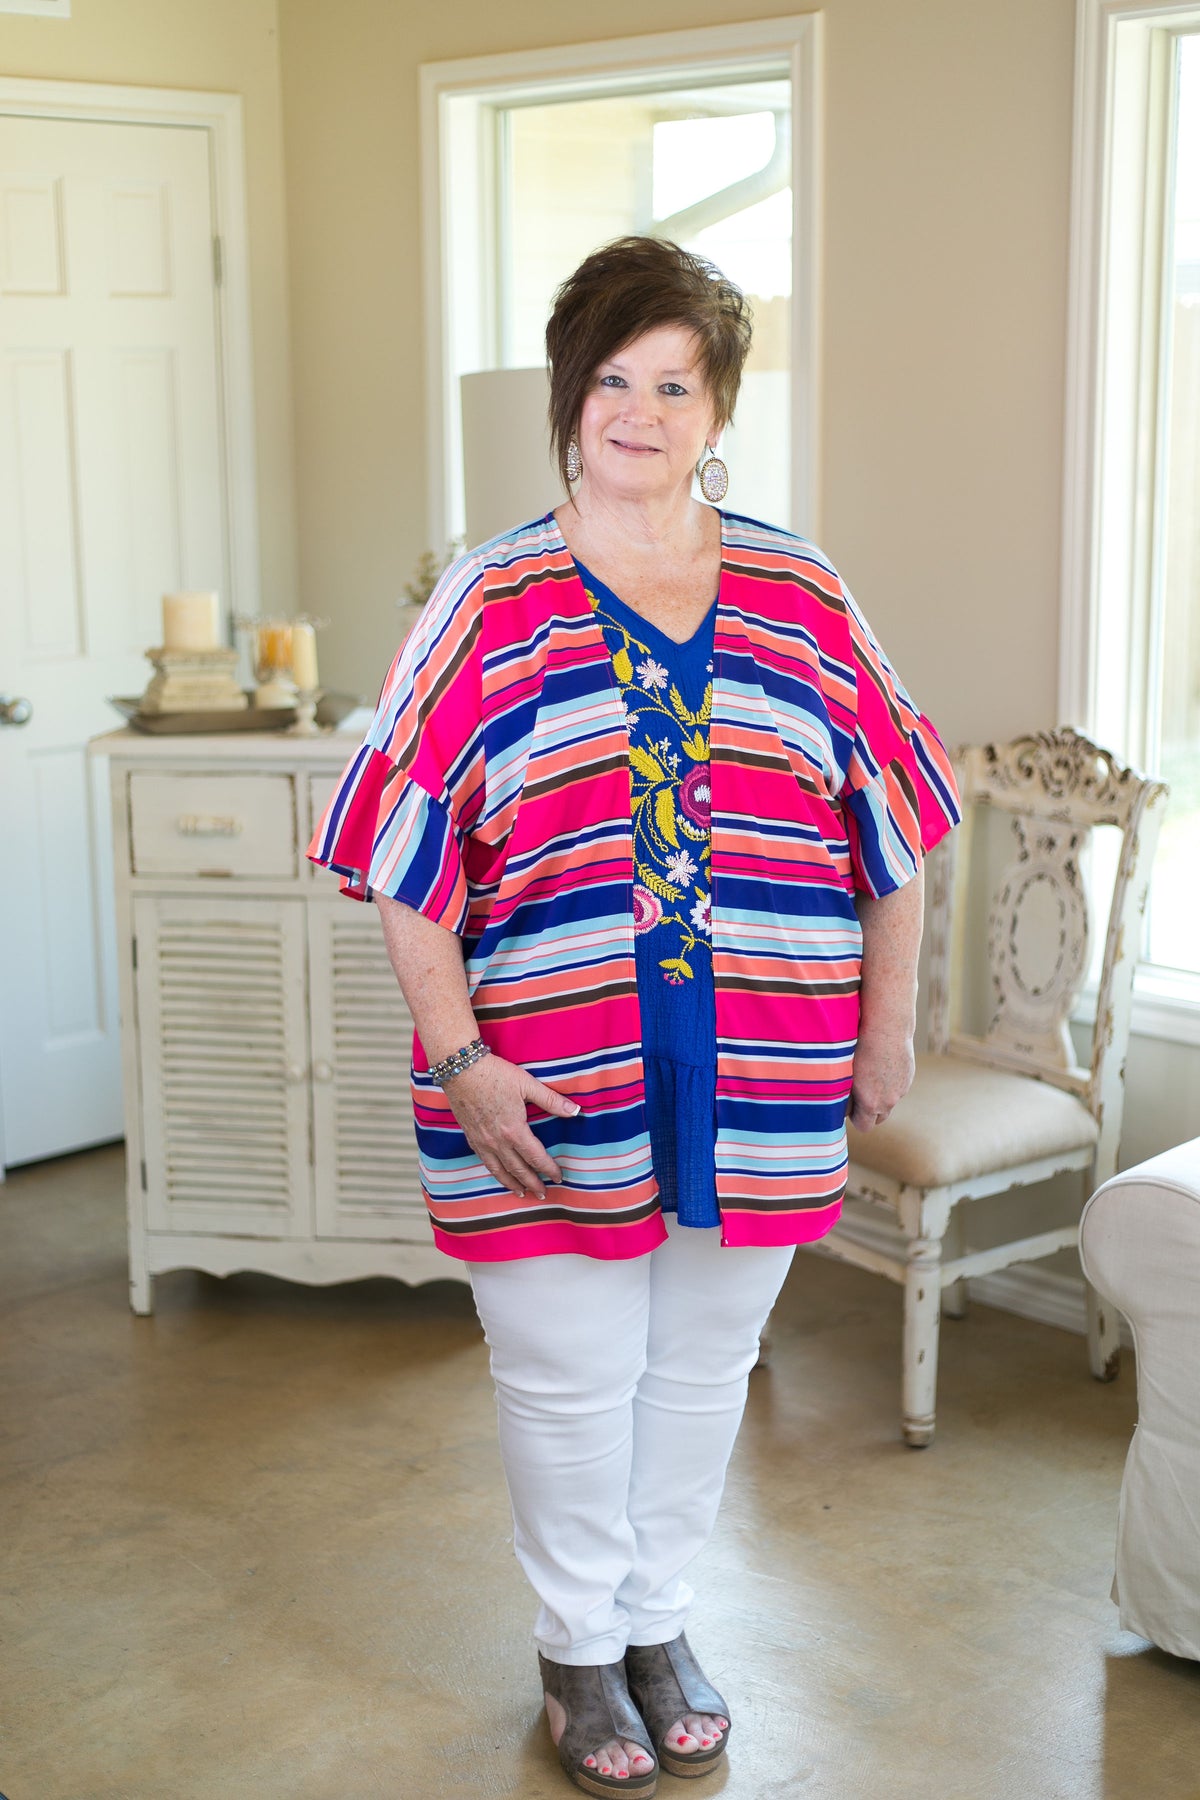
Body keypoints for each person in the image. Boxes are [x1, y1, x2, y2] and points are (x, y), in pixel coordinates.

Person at [309, 235, 961, 1798]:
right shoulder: (488, 599)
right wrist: (462, 1060)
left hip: (768, 1072)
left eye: (675, 383)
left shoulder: (802, 590)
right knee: (566, 1374)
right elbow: (403, 852)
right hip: (549, 1083)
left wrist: (885, 1030)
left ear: (719, 406)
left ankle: (658, 1623)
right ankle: (576, 1648)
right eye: (612, 377)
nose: (640, 412)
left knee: (700, 1365)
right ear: (569, 396)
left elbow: (895, 821)